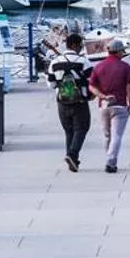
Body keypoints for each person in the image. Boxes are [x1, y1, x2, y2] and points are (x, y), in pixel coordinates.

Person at [45, 31, 93, 172]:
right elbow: (91, 81)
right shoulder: (83, 61)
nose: (81, 48)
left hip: (62, 101)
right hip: (80, 101)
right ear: (74, 45)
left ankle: (73, 161)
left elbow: (51, 84)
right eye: (80, 45)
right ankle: (72, 154)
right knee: (82, 128)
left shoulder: (55, 62)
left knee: (69, 130)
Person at [89, 38, 130, 173]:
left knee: (107, 135)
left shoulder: (98, 66)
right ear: (119, 52)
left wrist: (102, 96)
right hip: (120, 105)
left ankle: (110, 158)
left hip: (104, 105)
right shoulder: (125, 67)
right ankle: (111, 161)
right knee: (117, 135)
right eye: (122, 51)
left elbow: (91, 86)